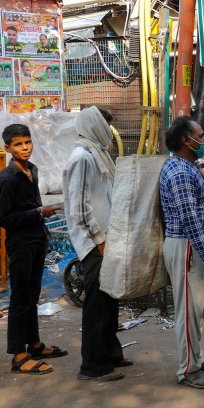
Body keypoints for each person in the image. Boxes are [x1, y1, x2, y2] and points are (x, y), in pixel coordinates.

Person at [0, 124, 66, 375]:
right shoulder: (5, 179)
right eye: (18, 144)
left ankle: (34, 344)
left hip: (37, 239)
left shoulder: (32, 170)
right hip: (20, 244)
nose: (24, 148)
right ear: (7, 148)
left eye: (27, 142)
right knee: (20, 299)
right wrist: (38, 212)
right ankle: (19, 355)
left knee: (32, 296)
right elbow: (2, 219)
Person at [63, 107, 127, 382]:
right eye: (106, 126)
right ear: (95, 126)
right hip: (94, 241)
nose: (109, 133)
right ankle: (93, 365)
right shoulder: (82, 158)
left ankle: (111, 353)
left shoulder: (95, 154)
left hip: (105, 237)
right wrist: (99, 240)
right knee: (97, 304)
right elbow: (79, 206)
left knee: (109, 299)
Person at [159, 117, 204, 390]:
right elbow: (190, 220)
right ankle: (188, 370)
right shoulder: (181, 172)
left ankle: (196, 358)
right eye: (200, 134)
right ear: (187, 140)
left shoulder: (186, 166)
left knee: (195, 309)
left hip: (189, 245)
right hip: (186, 245)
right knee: (187, 311)